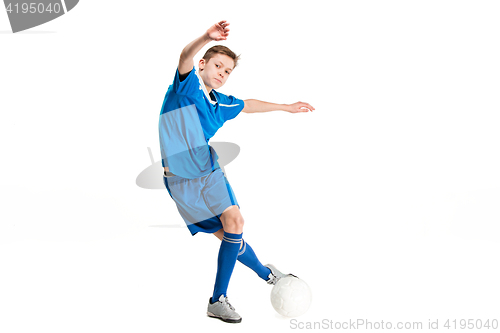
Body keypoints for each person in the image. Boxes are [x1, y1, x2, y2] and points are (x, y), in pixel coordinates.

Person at [158, 20, 314, 323]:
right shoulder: (186, 86)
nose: (222, 73)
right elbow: (184, 56)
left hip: (208, 170)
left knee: (236, 221)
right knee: (231, 238)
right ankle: (270, 275)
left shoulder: (220, 104)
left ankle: (218, 300)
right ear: (203, 64)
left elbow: (249, 105)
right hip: (179, 182)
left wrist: (286, 107)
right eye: (218, 65)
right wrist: (205, 36)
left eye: (227, 71)